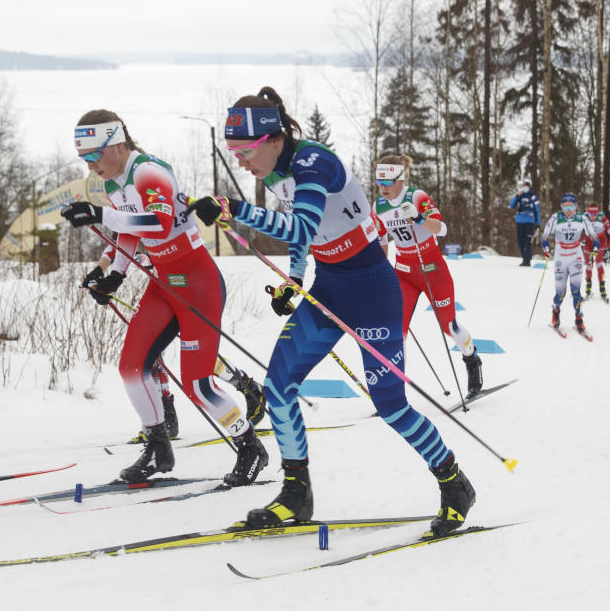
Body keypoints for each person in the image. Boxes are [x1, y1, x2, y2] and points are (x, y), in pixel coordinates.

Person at [191, 87, 474, 537]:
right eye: (234, 153)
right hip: (330, 289)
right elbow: (307, 237)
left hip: (374, 292)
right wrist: (295, 278)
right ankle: (295, 492)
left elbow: (300, 224)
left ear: (271, 137)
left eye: (244, 151)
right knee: (279, 386)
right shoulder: (276, 172)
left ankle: (454, 483)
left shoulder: (313, 162)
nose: (241, 161)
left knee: (392, 406)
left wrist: (236, 210)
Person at [60, 110, 267, 485]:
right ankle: (158, 447)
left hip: (197, 282)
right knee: (131, 367)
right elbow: (130, 233)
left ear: (116, 144)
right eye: (84, 159)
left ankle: (250, 446)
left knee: (198, 384)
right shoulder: (112, 184)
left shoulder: (148, 172)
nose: (90, 166)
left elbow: (160, 222)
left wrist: (98, 214)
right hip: (164, 282)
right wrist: (115, 277)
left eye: (93, 156)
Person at [86, 246, 268, 442]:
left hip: (194, 288)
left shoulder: (153, 221)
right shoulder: (125, 224)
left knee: (200, 361)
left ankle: (247, 386)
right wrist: (98, 274)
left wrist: (151, 259)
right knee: (147, 357)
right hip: (163, 292)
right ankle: (164, 416)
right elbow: (113, 250)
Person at [369, 154, 483, 398]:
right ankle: (394, 391)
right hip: (404, 272)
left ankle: (472, 358)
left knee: (449, 326)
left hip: (431, 268)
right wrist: (380, 267)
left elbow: (442, 229)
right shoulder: (378, 206)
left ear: (400, 179)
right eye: (380, 182)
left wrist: (419, 218)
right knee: (396, 331)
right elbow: (381, 240)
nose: (384, 188)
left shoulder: (416, 196)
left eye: (388, 182)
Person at [541, 193, 599, 333]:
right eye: (565, 206)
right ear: (561, 206)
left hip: (576, 257)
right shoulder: (556, 218)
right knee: (560, 293)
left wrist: (594, 250)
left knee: (576, 291)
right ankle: (556, 312)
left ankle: (579, 319)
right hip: (561, 258)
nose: (568, 209)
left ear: (576, 206)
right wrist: (546, 248)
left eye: (571, 206)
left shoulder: (582, 218)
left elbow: (594, 237)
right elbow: (544, 236)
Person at [581, 202, 610, 300]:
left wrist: (608, 246)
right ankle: (588, 288)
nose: (593, 217)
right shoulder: (584, 217)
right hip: (588, 242)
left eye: (595, 214)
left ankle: (602, 287)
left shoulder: (602, 218)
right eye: (591, 214)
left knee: (599, 265)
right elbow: (577, 231)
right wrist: (578, 241)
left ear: (598, 213)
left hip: (600, 242)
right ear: (588, 213)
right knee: (588, 265)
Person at [509, 179, 541, 266]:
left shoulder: (533, 197)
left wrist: (538, 223)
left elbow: (537, 211)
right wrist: (517, 196)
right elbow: (511, 206)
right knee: (520, 240)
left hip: (529, 221)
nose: (524, 187)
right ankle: (525, 258)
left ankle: (527, 261)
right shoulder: (520, 196)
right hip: (519, 221)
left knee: (527, 241)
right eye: (523, 186)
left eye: (526, 186)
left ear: (530, 187)